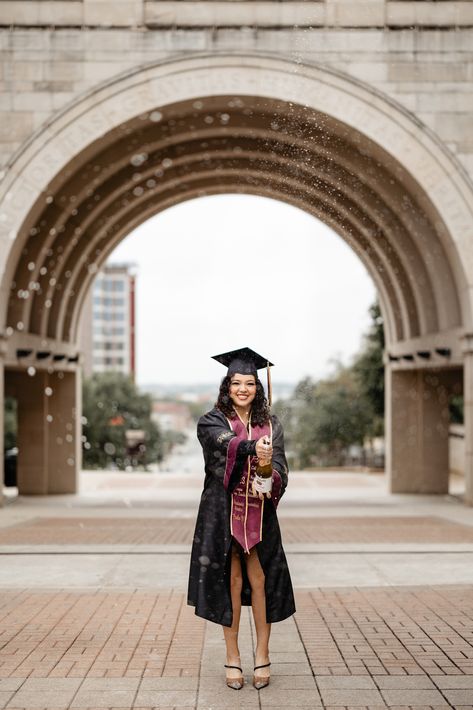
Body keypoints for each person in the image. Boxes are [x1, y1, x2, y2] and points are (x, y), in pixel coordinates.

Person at [187, 347, 296, 690]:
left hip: (260, 514)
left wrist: (270, 477)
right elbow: (224, 444)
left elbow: (280, 465)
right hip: (222, 513)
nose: (243, 389)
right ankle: (232, 656)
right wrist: (252, 448)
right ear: (227, 386)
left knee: (261, 580)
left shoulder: (270, 424)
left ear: (257, 388)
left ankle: (262, 653)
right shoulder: (212, 419)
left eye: (250, 383)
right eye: (237, 383)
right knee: (231, 581)